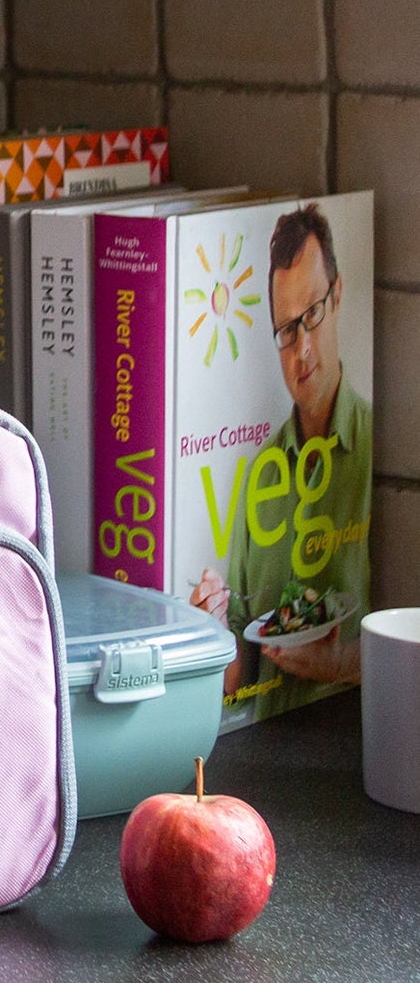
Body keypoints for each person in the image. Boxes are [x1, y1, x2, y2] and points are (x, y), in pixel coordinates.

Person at [190, 202, 371, 723]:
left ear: (336, 297)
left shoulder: (374, 443)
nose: (302, 350)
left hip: (346, 733)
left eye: (312, 315)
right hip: (263, 749)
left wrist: (341, 664)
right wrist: (211, 632)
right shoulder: (261, 473)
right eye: (286, 329)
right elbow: (236, 680)